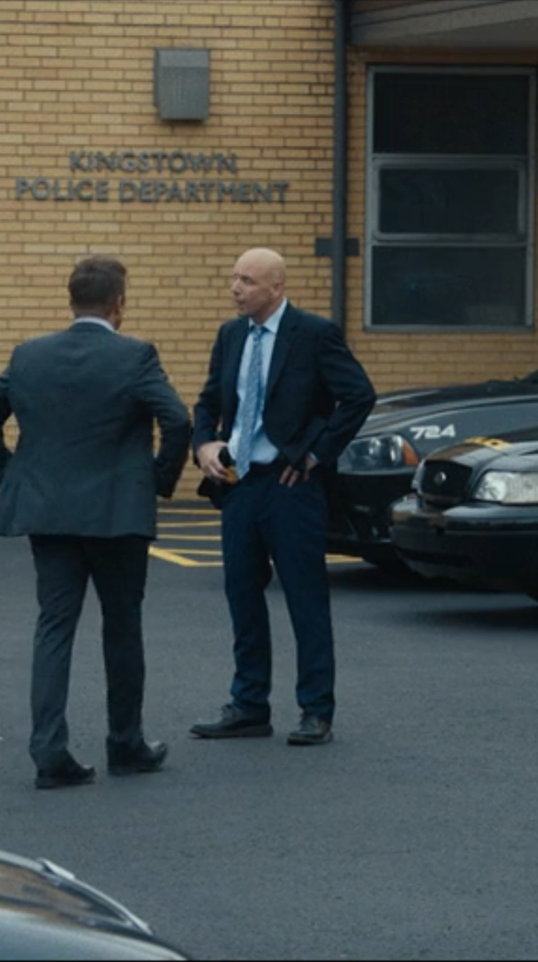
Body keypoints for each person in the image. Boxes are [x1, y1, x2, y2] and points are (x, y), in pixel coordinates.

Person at [0, 255, 191, 790]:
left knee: (54, 627)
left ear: (72, 301)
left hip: (49, 513)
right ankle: (126, 743)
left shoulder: (29, 355)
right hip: (118, 515)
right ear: (119, 305)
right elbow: (178, 420)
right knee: (122, 626)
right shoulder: (135, 356)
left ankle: (49, 750)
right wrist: (156, 480)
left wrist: (10, 477)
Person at [188, 247, 375, 747]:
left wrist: (316, 453)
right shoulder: (230, 335)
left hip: (291, 485)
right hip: (239, 484)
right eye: (234, 278)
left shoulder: (313, 334)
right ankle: (249, 705)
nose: (236, 288)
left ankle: (316, 709)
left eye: (247, 281)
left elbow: (359, 395)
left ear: (276, 287)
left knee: (304, 597)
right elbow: (208, 401)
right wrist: (204, 444)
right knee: (242, 595)